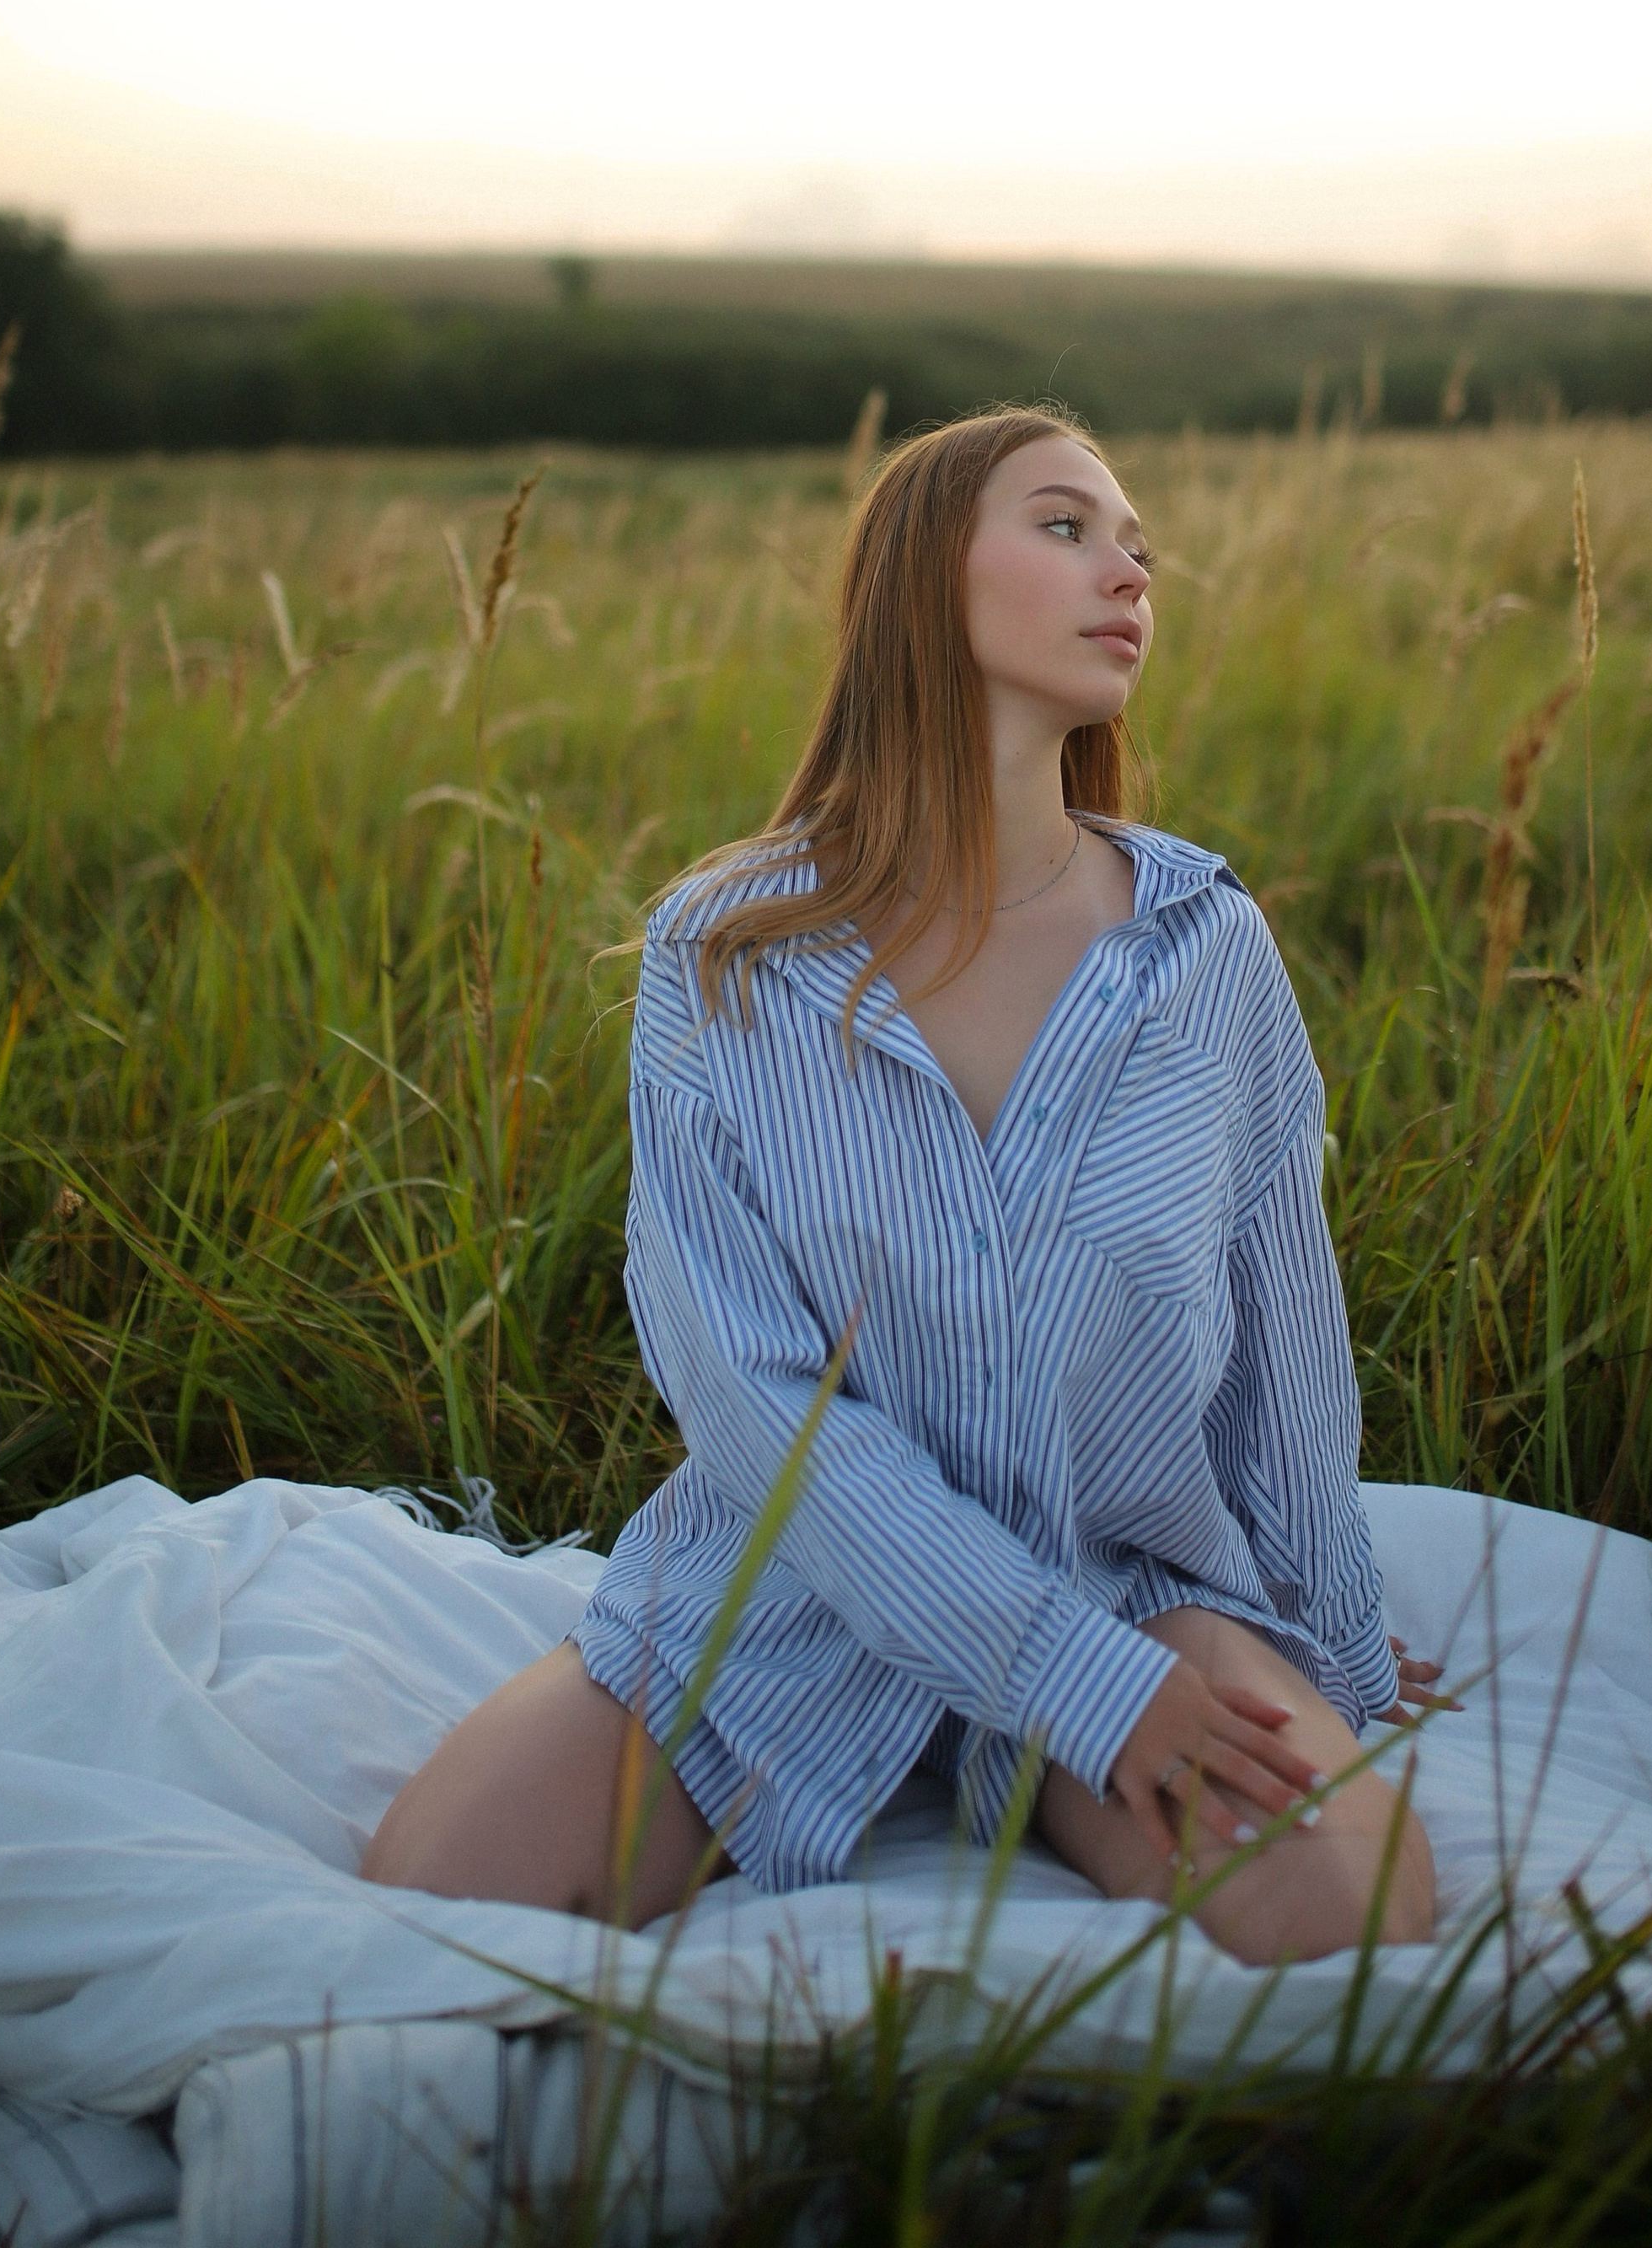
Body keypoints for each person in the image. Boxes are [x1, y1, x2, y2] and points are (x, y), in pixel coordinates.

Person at [364, 407, 1439, 1962]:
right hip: (796, 1586)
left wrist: (1322, 1646)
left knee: (1356, 1917)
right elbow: (745, 1388)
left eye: (1139, 545)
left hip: (1123, 1573)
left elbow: (1283, 1338)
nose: (1129, 571)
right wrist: (1064, 1680)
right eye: (1068, 527)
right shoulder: (728, 952)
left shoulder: (1206, 950)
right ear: (922, 579)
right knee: (435, 1894)